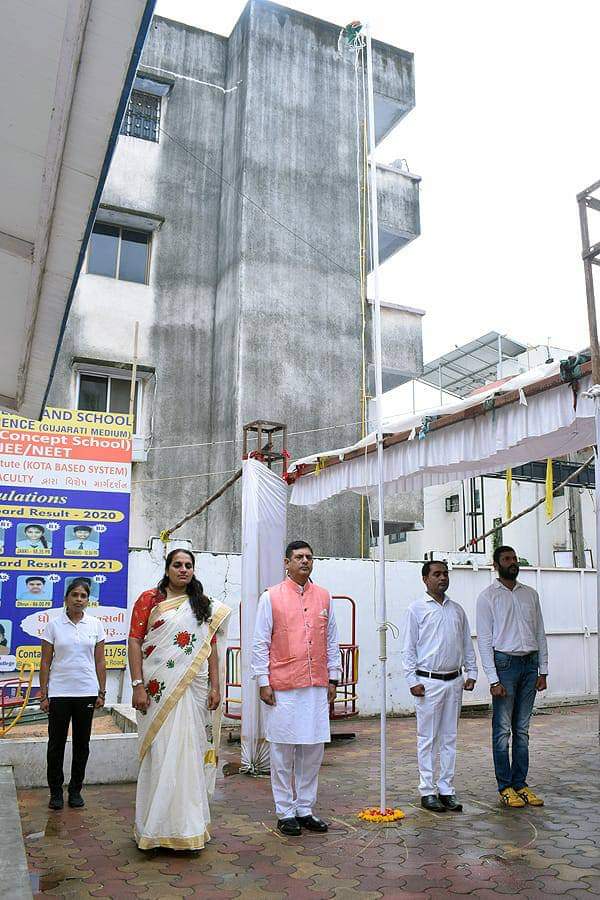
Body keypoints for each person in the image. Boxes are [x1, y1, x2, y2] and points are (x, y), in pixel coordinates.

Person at [128, 548, 231, 851]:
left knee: (189, 755)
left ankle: (189, 828)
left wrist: (215, 686)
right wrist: (137, 685)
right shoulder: (149, 600)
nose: (183, 569)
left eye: (188, 565)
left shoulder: (202, 604)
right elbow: (134, 641)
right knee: (161, 754)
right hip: (158, 690)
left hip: (193, 690)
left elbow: (209, 647)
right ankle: (154, 828)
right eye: (177, 565)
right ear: (167, 569)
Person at [251, 540, 341, 837]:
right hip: (284, 685)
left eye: (309, 557)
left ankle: (305, 808)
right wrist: (263, 681)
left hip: (316, 684)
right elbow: (260, 642)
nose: (305, 561)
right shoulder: (271, 597)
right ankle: (285, 811)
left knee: (313, 750)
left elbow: (331, 640)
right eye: (299, 557)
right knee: (282, 751)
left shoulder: (324, 597)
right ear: (286, 563)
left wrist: (333, 678)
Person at [402, 560, 478, 812]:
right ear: (425, 579)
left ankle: (446, 789)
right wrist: (412, 680)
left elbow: (466, 643)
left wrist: (471, 671)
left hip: (454, 680)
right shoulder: (416, 609)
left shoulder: (457, 610)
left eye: (445, 574)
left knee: (449, 738)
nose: (442, 578)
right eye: (437, 574)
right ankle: (427, 790)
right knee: (427, 738)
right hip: (428, 682)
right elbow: (409, 647)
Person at [476, 546, 548, 809]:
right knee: (502, 730)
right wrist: (493, 679)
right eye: (507, 559)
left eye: (515, 558)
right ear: (496, 565)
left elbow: (540, 632)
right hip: (504, 665)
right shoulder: (487, 597)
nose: (513, 562)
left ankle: (520, 784)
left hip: (530, 665)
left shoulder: (530, 594)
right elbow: (484, 640)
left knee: (522, 730)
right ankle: (505, 786)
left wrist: (543, 670)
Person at [39, 578, 106, 810]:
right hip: (59, 693)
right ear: (66, 598)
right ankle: (56, 792)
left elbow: (100, 661)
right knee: (55, 745)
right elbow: (45, 662)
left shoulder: (96, 625)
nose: (79, 599)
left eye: (83, 596)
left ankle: (75, 790)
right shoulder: (53, 626)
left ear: (88, 600)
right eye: (75, 595)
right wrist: (44, 694)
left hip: (86, 692)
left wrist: (101, 692)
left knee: (82, 744)